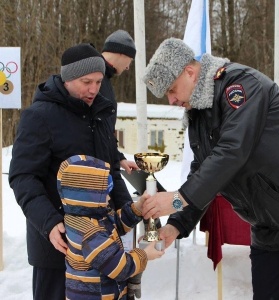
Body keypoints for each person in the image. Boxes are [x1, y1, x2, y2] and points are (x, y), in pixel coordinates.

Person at [142, 37, 279, 300]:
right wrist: (175, 226)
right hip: (271, 227)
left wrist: (178, 199)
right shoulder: (199, 116)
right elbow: (204, 173)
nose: (171, 100)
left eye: (171, 90)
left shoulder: (240, 86)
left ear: (190, 73)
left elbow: (232, 151)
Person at [9, 43, 134, 300]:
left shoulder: (100, 114)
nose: (93, 89)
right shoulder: (39, 117)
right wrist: (49, 222)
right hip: (58, 245)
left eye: (99, 82)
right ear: (67, 78)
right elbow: (23, 177)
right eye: (86, 81)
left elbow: (111, 172)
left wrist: (127, 211)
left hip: (100, 244)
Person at [57, 154, 164, 300]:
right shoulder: (90, 233)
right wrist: (144, 255)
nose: (109, 195)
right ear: (89, 195)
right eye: (104, 191)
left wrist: (138, 208)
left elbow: (116, 225)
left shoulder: (88, 216)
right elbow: (121, 268)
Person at [101, 29, 139, 175]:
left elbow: (106, 131)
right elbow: (100, 131)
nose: (128, 67)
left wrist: (118, 158)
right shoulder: (97, 78)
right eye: (130, 60)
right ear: (122, 54)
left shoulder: (104, 79)